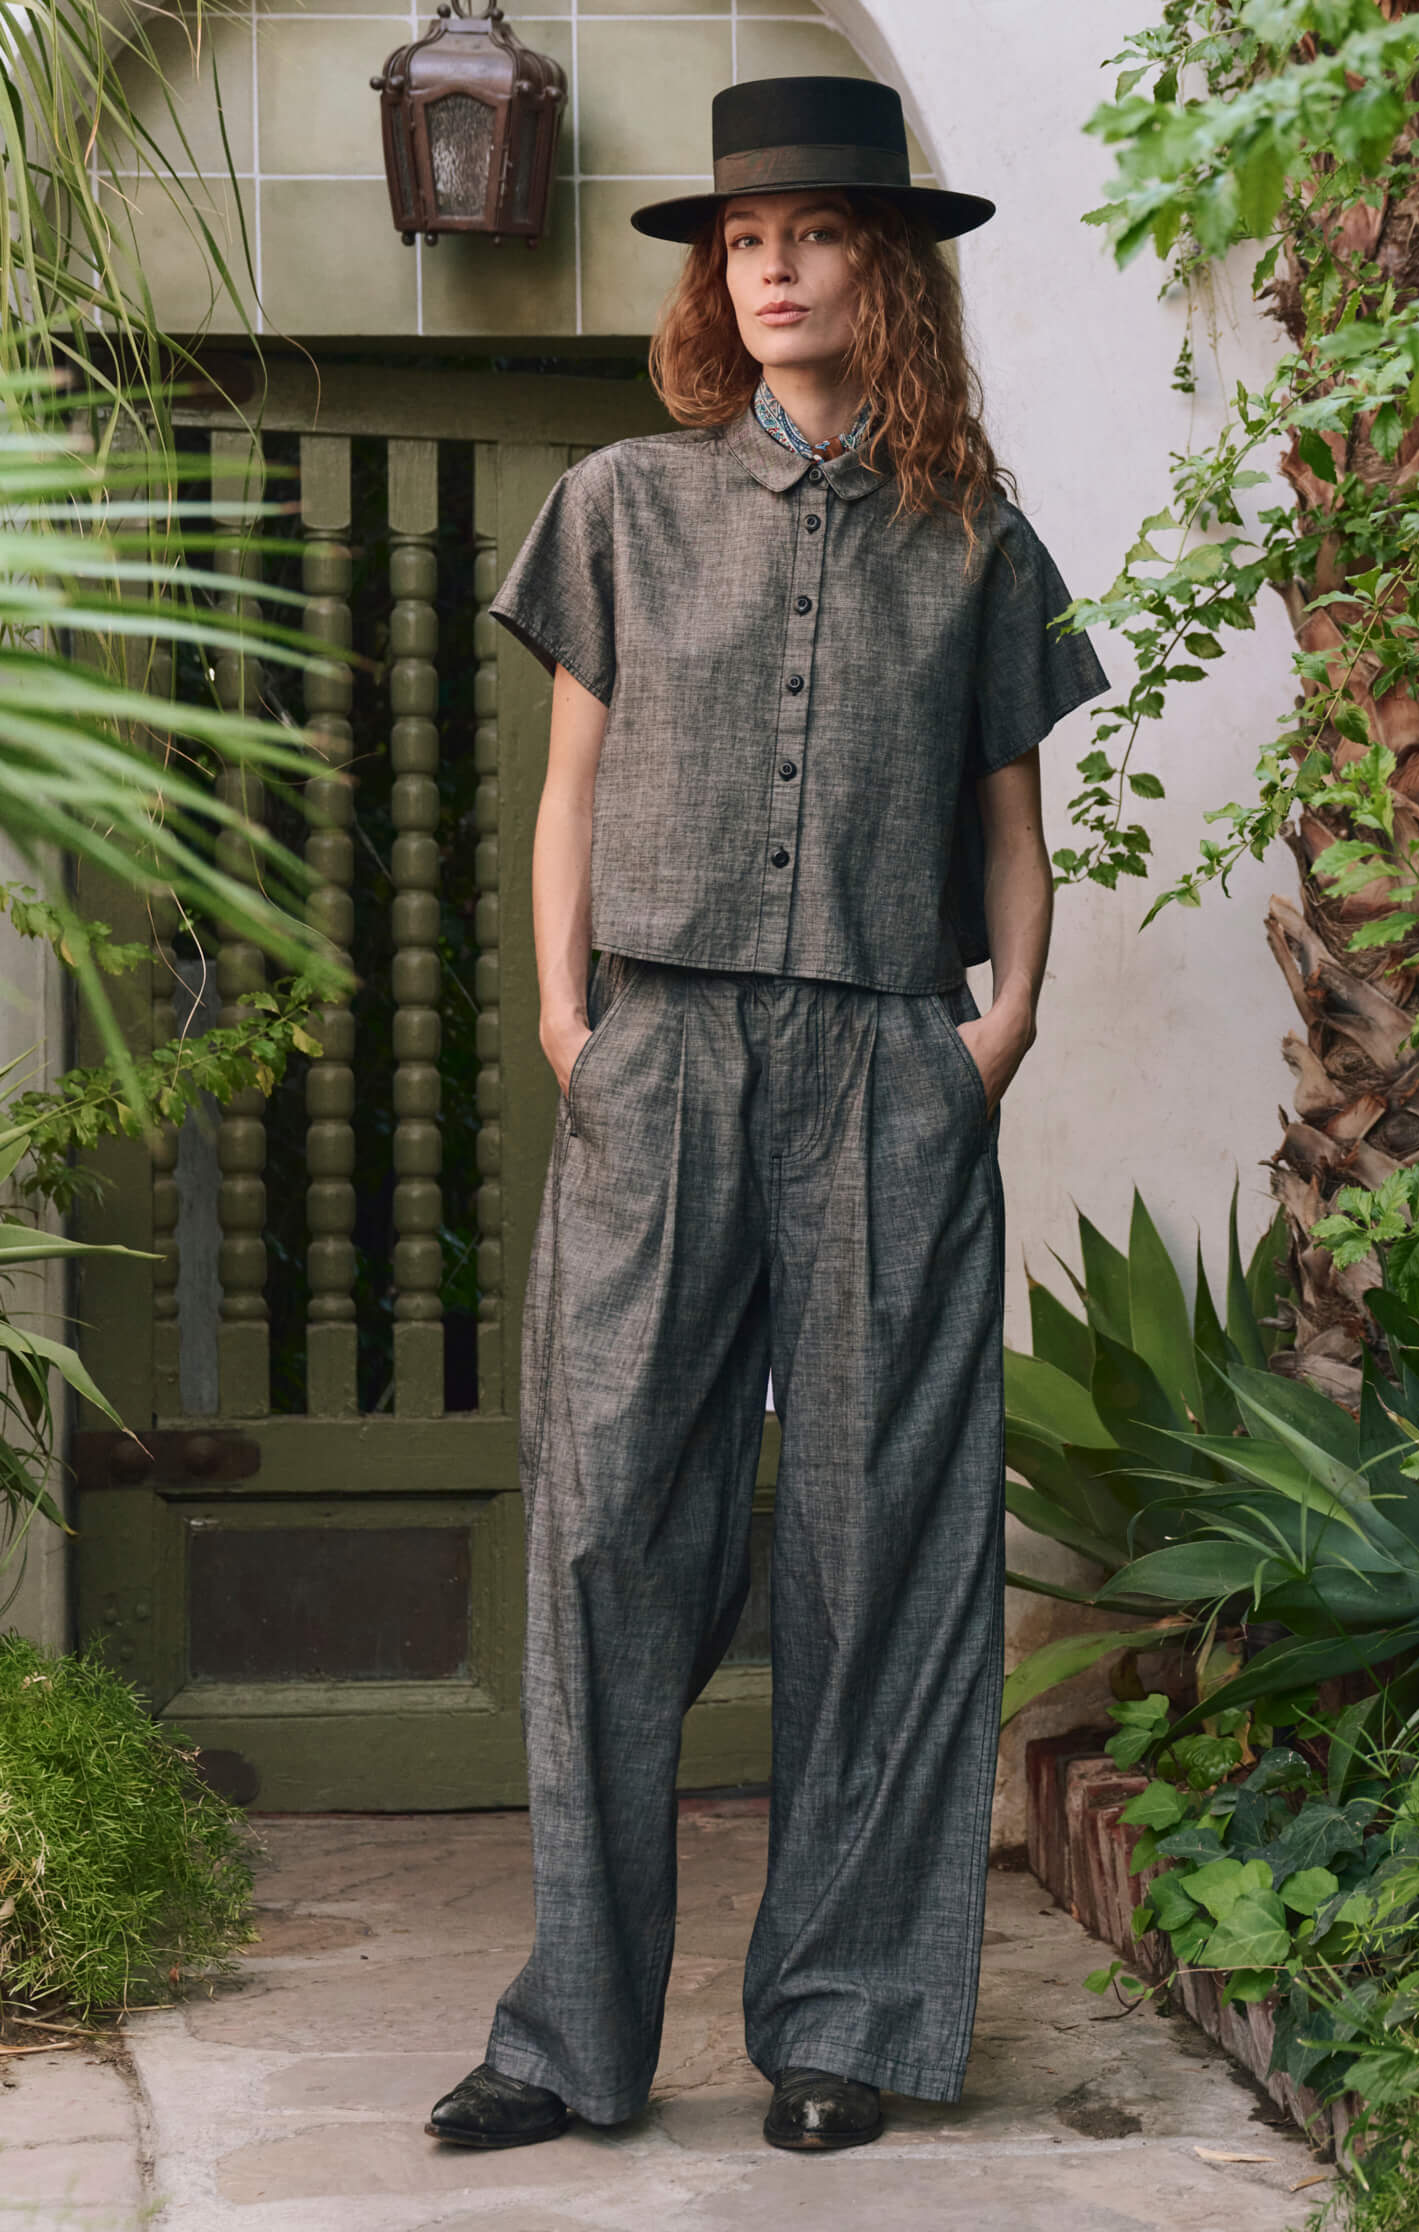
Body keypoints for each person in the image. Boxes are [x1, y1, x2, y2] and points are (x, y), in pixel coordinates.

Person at [425, 73, 1106, 2157]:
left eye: (810, 234)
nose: (773, 269)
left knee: (881, 1539)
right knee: (610, 1524)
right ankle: (575, 2040)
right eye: (743, 241)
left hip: (890, 1066)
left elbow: (1016, 833)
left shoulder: (976, 540)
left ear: (882, 267)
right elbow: (566, 796)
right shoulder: (621, 505)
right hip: (663, 1055)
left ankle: (846, 2023)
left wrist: (993, 1039)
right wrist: (571, 1024)